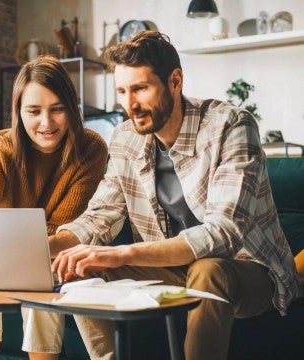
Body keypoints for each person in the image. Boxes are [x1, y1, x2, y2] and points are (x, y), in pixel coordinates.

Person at [50, 30, 302, 360]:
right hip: (174, 269)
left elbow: (223, 234)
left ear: (175, 80)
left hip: (248, 270)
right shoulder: (126, 137)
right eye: (123, 92)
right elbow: (100, 215)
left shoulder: (231, 125)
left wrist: (123, 253)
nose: (130, 105)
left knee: (209, 270)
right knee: (83, 268)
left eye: (140, 88)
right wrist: (42, 248)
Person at [0, 55, 108, 360]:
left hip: (51, 251)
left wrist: (24, 247)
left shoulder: (91, 148)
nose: (46, 123)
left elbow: (66, 226)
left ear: (72, 108)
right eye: (33, 111)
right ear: (18, 112)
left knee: (45, 275)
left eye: (57, 109)